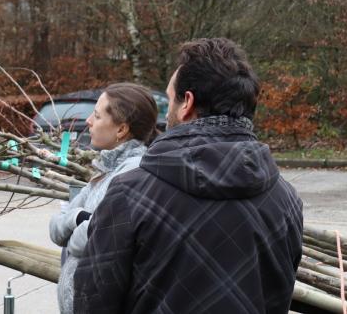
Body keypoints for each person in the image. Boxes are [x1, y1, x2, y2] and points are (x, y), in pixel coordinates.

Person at [73, 38, 303, 314]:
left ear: (187, 104)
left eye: (170, 99)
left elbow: (92, 304)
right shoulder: (286, 200)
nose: (167, 110)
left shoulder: (130, 193)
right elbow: (278, 299)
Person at [49, 83, 159, 314]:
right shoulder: (105, 172)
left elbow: (90, 241)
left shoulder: (130, 175)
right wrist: (77, 218)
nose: (88, 121)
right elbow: (56, 229)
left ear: (121, 130)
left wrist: (77, 225)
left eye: (97, 116)